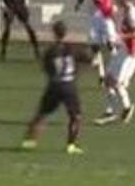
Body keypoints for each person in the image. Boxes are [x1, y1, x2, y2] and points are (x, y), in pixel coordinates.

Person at [21, 20, 90, 155]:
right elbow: (88, 59)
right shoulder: (72, 49)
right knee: (75, 116)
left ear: (54, 33)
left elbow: (46, 68)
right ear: (66, 33)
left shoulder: (50, 51)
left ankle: (29, 141)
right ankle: (71, 145)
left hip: (54, 85)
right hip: (69, 86)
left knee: (42, 114)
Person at [96, 0, 135, 126]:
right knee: (108, 78)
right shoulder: (124, 9)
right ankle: (110, 111)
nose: (117, 0)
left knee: (117, 82)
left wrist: (120, 37)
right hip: (124, 49)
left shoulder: (131, 13)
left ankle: (125, 107)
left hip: (131, 53)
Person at [74, 0, 119, 84]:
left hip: (106, 17)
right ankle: (101, 74)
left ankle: (115, 71)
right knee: (95, 46)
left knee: (110, 43)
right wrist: (78, 4)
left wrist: (115, 10)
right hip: (93, 18)